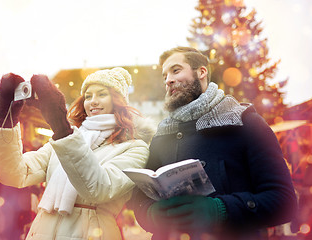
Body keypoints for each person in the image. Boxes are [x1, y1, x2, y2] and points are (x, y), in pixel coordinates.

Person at [128, 47, 298, 240]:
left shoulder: (247, 123)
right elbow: (139, 200)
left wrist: (220, 210)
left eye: (176, 70)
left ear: (201, 72)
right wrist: (152, 214)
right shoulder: (162, 134)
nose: (168, 80)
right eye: (165, 75)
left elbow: (285, 202)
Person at [0, 67, 155, 240]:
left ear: (118, 100)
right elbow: (15, 174)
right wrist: (5, 121)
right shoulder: (67, 140)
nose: (93, 101)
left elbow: (98, 188)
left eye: (101, 94)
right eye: (88, 96)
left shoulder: (134, 147)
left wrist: (62, 128)